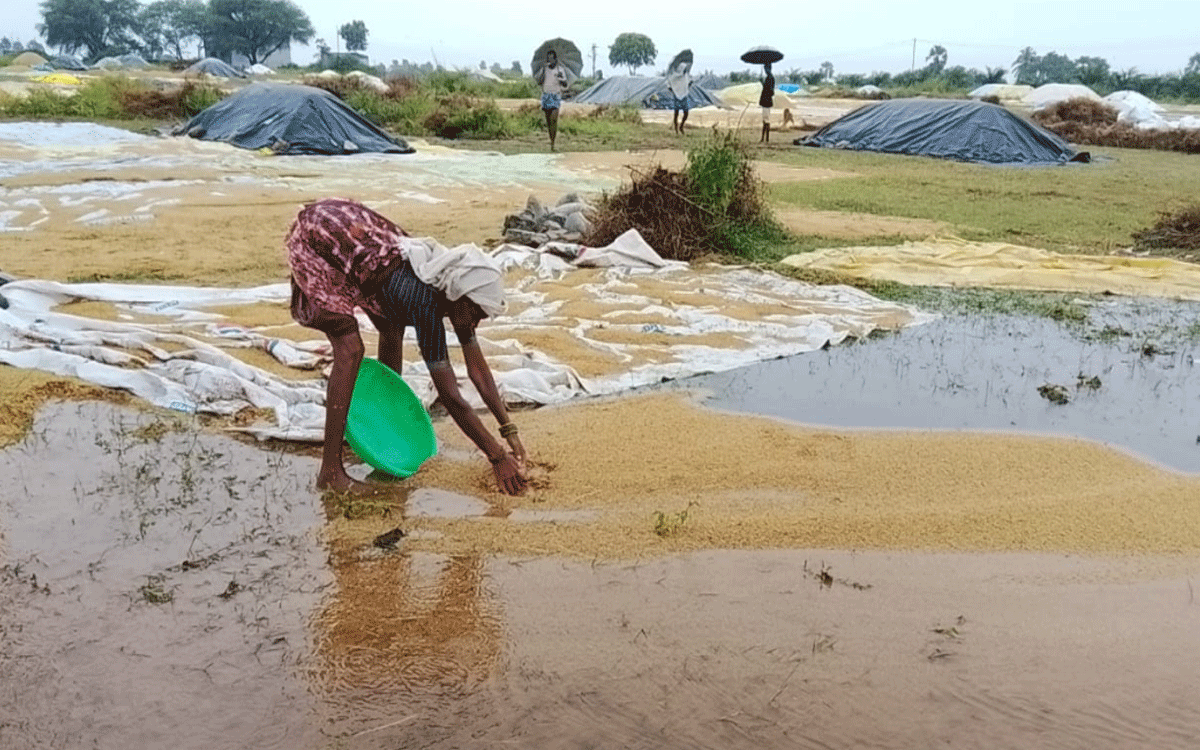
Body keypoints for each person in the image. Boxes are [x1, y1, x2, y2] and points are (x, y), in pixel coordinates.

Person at [286, 198, 528, 496]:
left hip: (364, 249)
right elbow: (450, 395)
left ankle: (382, 427)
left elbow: (478, 371)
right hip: (319, 237)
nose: (477, 322)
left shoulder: (450, 293)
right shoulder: (423, 301)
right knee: (350, 349)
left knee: (391, 325)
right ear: (461, 297)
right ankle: (330, 472)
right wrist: (498, 457)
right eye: (477, 313)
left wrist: (509, 431)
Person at [537, 49, 570, 151]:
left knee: (554, 119)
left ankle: (553, 143)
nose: (550, 60)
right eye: (548, 58)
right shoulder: (544, 69)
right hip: (546, 95)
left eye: (552, 58)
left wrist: (561, 78)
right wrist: (543, 71)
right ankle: (551, 141)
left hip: (555, 95)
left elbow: (565, 84)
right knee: (548, 121)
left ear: (555, 59)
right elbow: (539, 82)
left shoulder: (560, 70)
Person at [667, 57, 692, 134]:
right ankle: (676, 128)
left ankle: (681, 126)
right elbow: (669, 85)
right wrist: (675, 91)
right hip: (677, 96)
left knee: (686, 112)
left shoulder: (685, 76)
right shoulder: (674, 77)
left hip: (684, 95)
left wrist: (688, 86)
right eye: (684, 69)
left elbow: (688, 83)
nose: (685, 70)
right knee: (676, 113)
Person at [759, 62, 775, 143]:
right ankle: (764, 138)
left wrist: (763, 83)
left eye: (766, 69)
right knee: (765, 120)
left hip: (766, 101)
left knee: (766, 121)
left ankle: (765, 139)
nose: (765, 70)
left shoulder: (770, 78)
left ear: (769, 68)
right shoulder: (769, 78)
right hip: (766, 101)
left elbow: (770, 90)